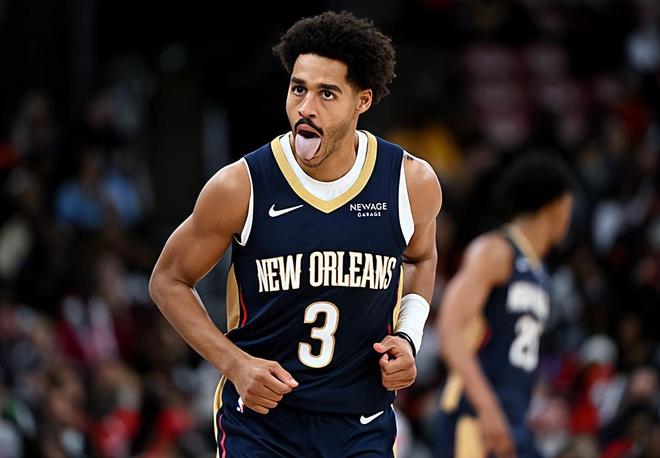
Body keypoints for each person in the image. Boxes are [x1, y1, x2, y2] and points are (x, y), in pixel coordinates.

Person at [149, 11, 442, 457]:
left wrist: (408, 336)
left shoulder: (409, 182)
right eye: (298, 88)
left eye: (327, 93)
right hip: (261, 424)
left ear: (362, 101)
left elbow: (421, 257)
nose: (306, 108)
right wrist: (234, 363)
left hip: (360, 423)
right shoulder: (241, 185)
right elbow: (167, 279)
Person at [435, 154, 575, 458]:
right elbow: (450, 332)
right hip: (474, 416)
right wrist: (488, 408)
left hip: (512, 419)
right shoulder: (496, 250)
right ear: (556, 204)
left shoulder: (539, 272)